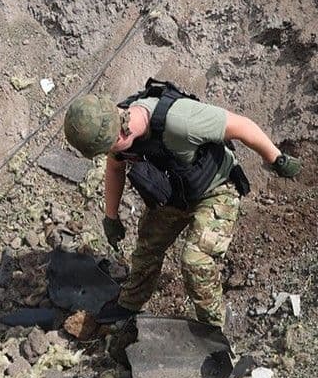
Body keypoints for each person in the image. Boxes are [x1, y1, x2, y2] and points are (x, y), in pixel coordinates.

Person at [63, 79, 300, 327]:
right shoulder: (117, 129)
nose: (108, 153)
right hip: (175, 193)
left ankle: (212, 327)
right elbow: (114, 168)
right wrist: (110, 216)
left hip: (216, 189)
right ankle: (130, 303)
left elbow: (241, 126)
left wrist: (277, 159)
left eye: (107, 147)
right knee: (147, 248)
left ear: (121, 132)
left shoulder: (181, 120)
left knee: (195, 260)